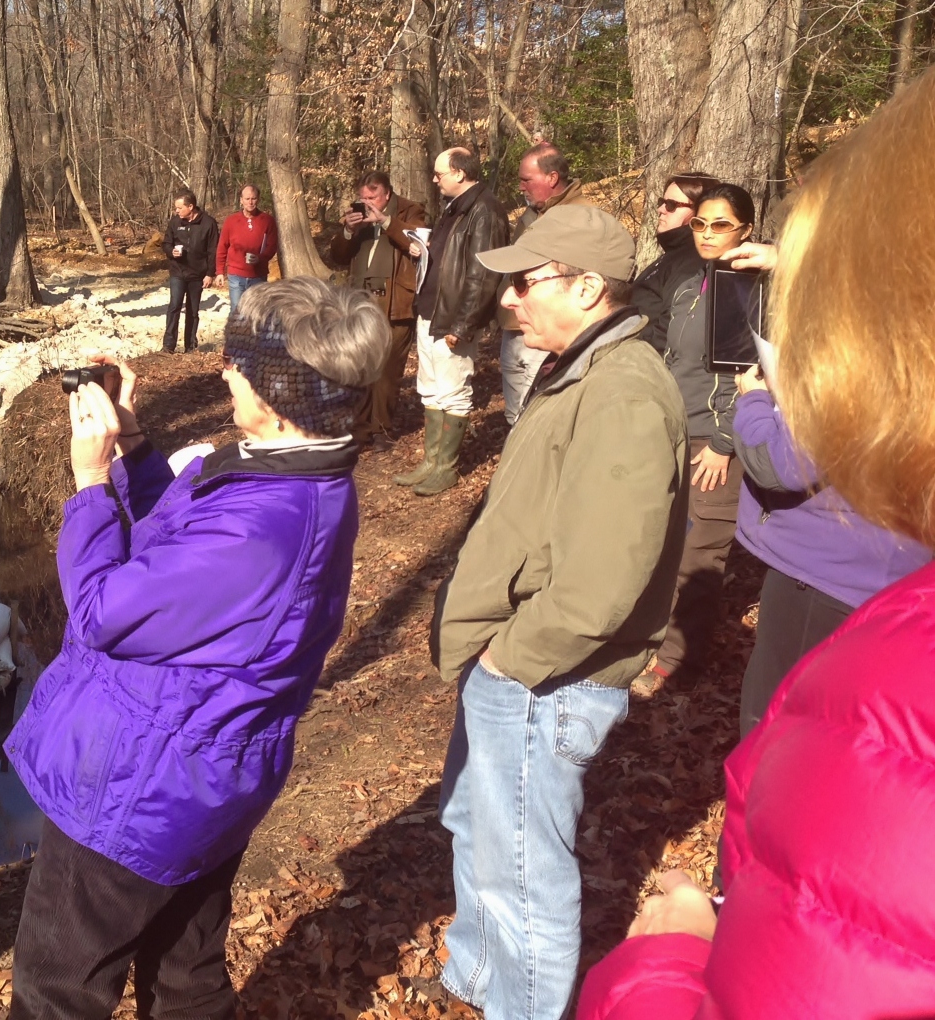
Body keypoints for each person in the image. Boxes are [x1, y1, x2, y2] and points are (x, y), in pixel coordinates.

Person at [577, 68, 935, 1020]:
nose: (705, 234)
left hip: (830, 564)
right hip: (824, 555)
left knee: (773, 728)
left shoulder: (891, 706)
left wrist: (665, 965)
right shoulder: (681, 280)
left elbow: (828, 959)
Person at [5, 277, 391, 1019]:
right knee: (186, 978)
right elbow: (176, 554)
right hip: (202, 778)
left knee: (56, 991)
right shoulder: (293, 476)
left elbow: (100, 610)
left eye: (237, 362)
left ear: (280, 392)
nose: (223, 370)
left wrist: (89, 480)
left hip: (137, 789)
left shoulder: (264, 525)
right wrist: (136, 441)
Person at [432, 204, 688, 1020]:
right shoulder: (576, 367)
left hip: (547, 677)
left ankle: (523, 1007)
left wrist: (513, 659)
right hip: (517, 664)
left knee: (522, 870)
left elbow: (605, 579)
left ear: (587, 287)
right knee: (480, 831)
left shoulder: (623, 390)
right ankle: (479, 985)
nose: (509, 299)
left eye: (525, 282)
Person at [731, 362, 929, 734]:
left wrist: (754, 398)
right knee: (845, 724)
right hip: (900, 582)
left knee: (776, 724)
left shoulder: (860, 369)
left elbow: (778, 464)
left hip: (824, 577)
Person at [641, 183, 755, 689]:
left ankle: (678, 662)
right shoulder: (690, 282)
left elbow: (751, 375)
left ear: (746, 231)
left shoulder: (749, 289)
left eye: (722, 225)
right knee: (662, 546)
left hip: (715, 445)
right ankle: (651, 639)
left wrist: (726, 443)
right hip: (674, 433)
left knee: (699, 554)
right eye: (701, 224)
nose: (708, 234)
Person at [394, 147, 508, 496]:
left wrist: (463, 325)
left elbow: (483, 275)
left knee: (453, 392)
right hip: (432, 312)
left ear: (460, 173)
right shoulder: (455, 208)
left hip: (454, 319)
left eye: (439, 172)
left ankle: (446, 467)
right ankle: (431, 462)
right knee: (430, 389)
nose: (434, 178)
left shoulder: (485, 211)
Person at [498, 143, 594, 425]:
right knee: (515, 411)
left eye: (526, 180)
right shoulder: (532, 215)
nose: (520, 187)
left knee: (539, 409)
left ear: (552, 178)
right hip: (515, 321)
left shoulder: (583, 216)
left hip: (550, 324)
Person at [330, 170, 427, 441]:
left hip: (395, 301)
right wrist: (349, 230)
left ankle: (381, 428)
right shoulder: (357, 214)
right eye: (363, 197)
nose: (367, 202)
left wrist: (385, 221)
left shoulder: (410, 210)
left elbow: (417, 243)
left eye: (373, 197)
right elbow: (337, 256)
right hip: (360, 301)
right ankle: (359, 429)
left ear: (387, 194)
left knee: (387, 370)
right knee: (359, 366)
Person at [631, 172, 719, 351]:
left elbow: (670, 332)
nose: (661, 209)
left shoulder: (693, 261)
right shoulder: (676, 254)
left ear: (701, 213)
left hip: (647, 366)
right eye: (662, 202)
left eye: (671, 205)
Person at [161, 188, 219, 352]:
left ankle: (190, 346)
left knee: (193, 310)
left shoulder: (208, 223)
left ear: (191, 206)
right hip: (178, 272)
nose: (176, 211)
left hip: (197, 274)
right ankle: (168, 345)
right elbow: (166, 243)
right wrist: (171, 251)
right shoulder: (175, 222)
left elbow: (213, 250)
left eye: (180, 208)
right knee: (174, 306)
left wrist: (210, 273)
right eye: (176, 208)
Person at [214, 183, 278, 313]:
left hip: (258, 275)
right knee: (237, 312)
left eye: (253, 198)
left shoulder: (267, 220)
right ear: (241, 200)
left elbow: (272, 246)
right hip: (236, 275)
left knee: (257, 313)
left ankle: (254, 334)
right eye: (247, 199)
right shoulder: (231, 221)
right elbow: (222, 247)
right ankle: (235, 334)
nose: (250, 202)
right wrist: (220, 272)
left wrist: (261, 258)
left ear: (258, 199)